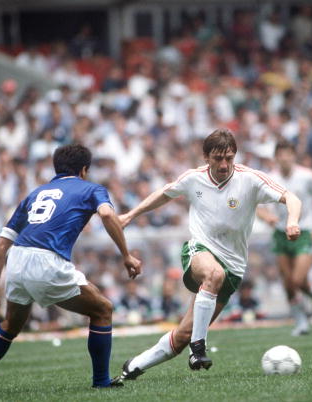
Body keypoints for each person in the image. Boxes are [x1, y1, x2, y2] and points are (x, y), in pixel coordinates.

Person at [117, 128, 301, 378]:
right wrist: (130, 215)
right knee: (213, 274)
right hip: (200, 250)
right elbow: (164, 193)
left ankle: (133, 366)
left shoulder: (250, 179)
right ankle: (198, 348)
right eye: (218, 158)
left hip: (233, 267)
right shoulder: (194, 178)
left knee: (183, 334)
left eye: (229, 158)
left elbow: (291, 198)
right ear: (206, 157)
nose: (224, 165)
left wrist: (292, 220)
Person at [0, 144, 141, 394]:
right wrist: (127, 255)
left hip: (17, 258)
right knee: (103, 309)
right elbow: (108, 216)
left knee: (11, 323)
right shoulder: (92, 189)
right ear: (84, 170)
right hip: (47, 260)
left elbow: (0, 247)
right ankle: (101, 380)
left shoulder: (35, 194)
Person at [257, 140, 312, 335]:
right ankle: (302, 321)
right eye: (280, 154)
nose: (284, 158)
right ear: (276, 158)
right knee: (288, 282)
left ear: (294, 156)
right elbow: (257, 205)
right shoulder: (270, 179)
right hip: (280, 233)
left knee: (297, 279)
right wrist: (266, 216)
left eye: (288, 153)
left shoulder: (307, 176)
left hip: (303, 231)